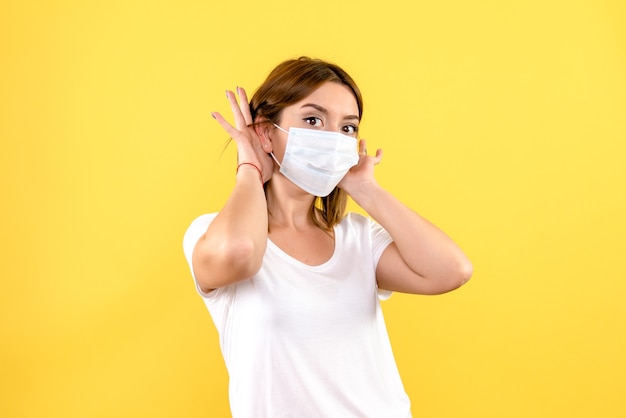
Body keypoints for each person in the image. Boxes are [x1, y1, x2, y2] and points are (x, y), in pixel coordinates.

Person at [183, 57, 473, 417]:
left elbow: (452, 271)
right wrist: (250, 167)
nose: (334, 138)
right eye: (313, 120)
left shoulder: (359, 239)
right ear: (266, 132)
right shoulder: (211, 233)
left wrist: (365, 189)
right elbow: (240, 252)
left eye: (347, 128)